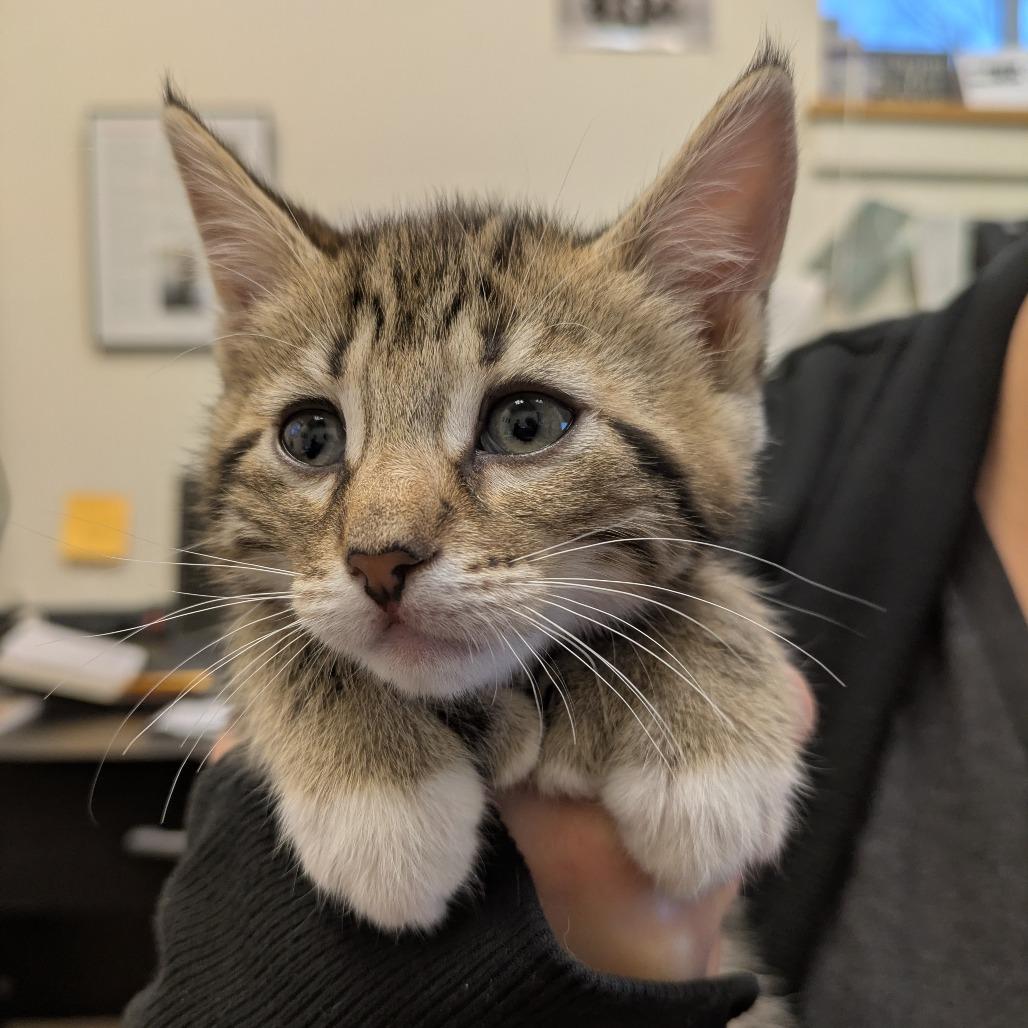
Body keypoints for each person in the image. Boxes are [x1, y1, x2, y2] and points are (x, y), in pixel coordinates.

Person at [126, 235, 1027, 1026]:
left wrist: (708, 638)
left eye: (525, 423)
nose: (379, 542)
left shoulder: (830, 451)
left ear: (715, 339)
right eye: (314, 436)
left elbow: (681, 565)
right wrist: (303, 689)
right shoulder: (864, 411)